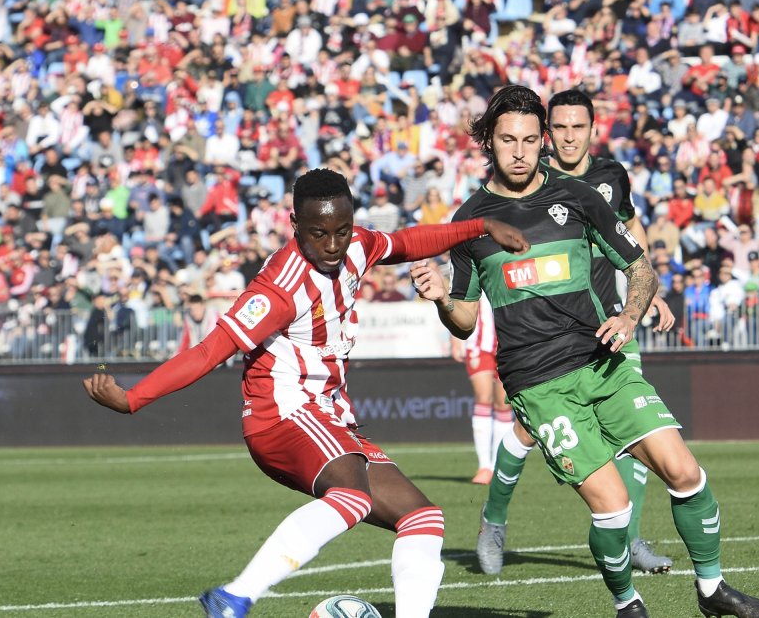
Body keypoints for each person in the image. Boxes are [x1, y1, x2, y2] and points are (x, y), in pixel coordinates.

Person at [82, 169, 529, 618]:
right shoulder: (279, 287)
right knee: (352, 498)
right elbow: (208, 350)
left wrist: (480, 227)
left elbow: (409, 241)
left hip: (328, 416)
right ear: (295, 225)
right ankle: (235, 596)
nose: (333, 245)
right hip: (282, 413)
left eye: (342, 230)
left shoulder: (358, 246)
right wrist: (133, 398)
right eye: (319, 233)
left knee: (423, 518)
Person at [410, 85, 759, 618]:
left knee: (686, 473)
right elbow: (465, 322)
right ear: (489, 141)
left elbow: (639, 266)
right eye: (508, 139)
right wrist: (443, 297)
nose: (520, 151)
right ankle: (627, 604)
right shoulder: (471, 223)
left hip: (604, 364)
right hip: (538, 384)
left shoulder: (579, 197)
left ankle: (713, 591)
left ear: (543, 142)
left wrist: (629, 316)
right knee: (614, 507)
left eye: (530, 139)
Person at [474, 88, 677, 577]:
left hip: (610, 321)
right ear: (548, 133)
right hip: (549, 336)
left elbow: (631, 231)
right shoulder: (524, 178)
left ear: (591, 129)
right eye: (559, 128)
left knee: (636, 428)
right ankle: (493, 522)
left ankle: (630, 540)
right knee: (525, 431)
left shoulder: (610, 177)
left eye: (577, 127)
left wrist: (647, 289)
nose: (567, 137)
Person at [452, 292, 514, 485]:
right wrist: (455, 337)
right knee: (483, 397)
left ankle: (497, 466)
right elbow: (459, 297)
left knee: (504, 404)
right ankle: (484, 466)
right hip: (479, 342)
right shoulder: (471, 263)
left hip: (510, 341)